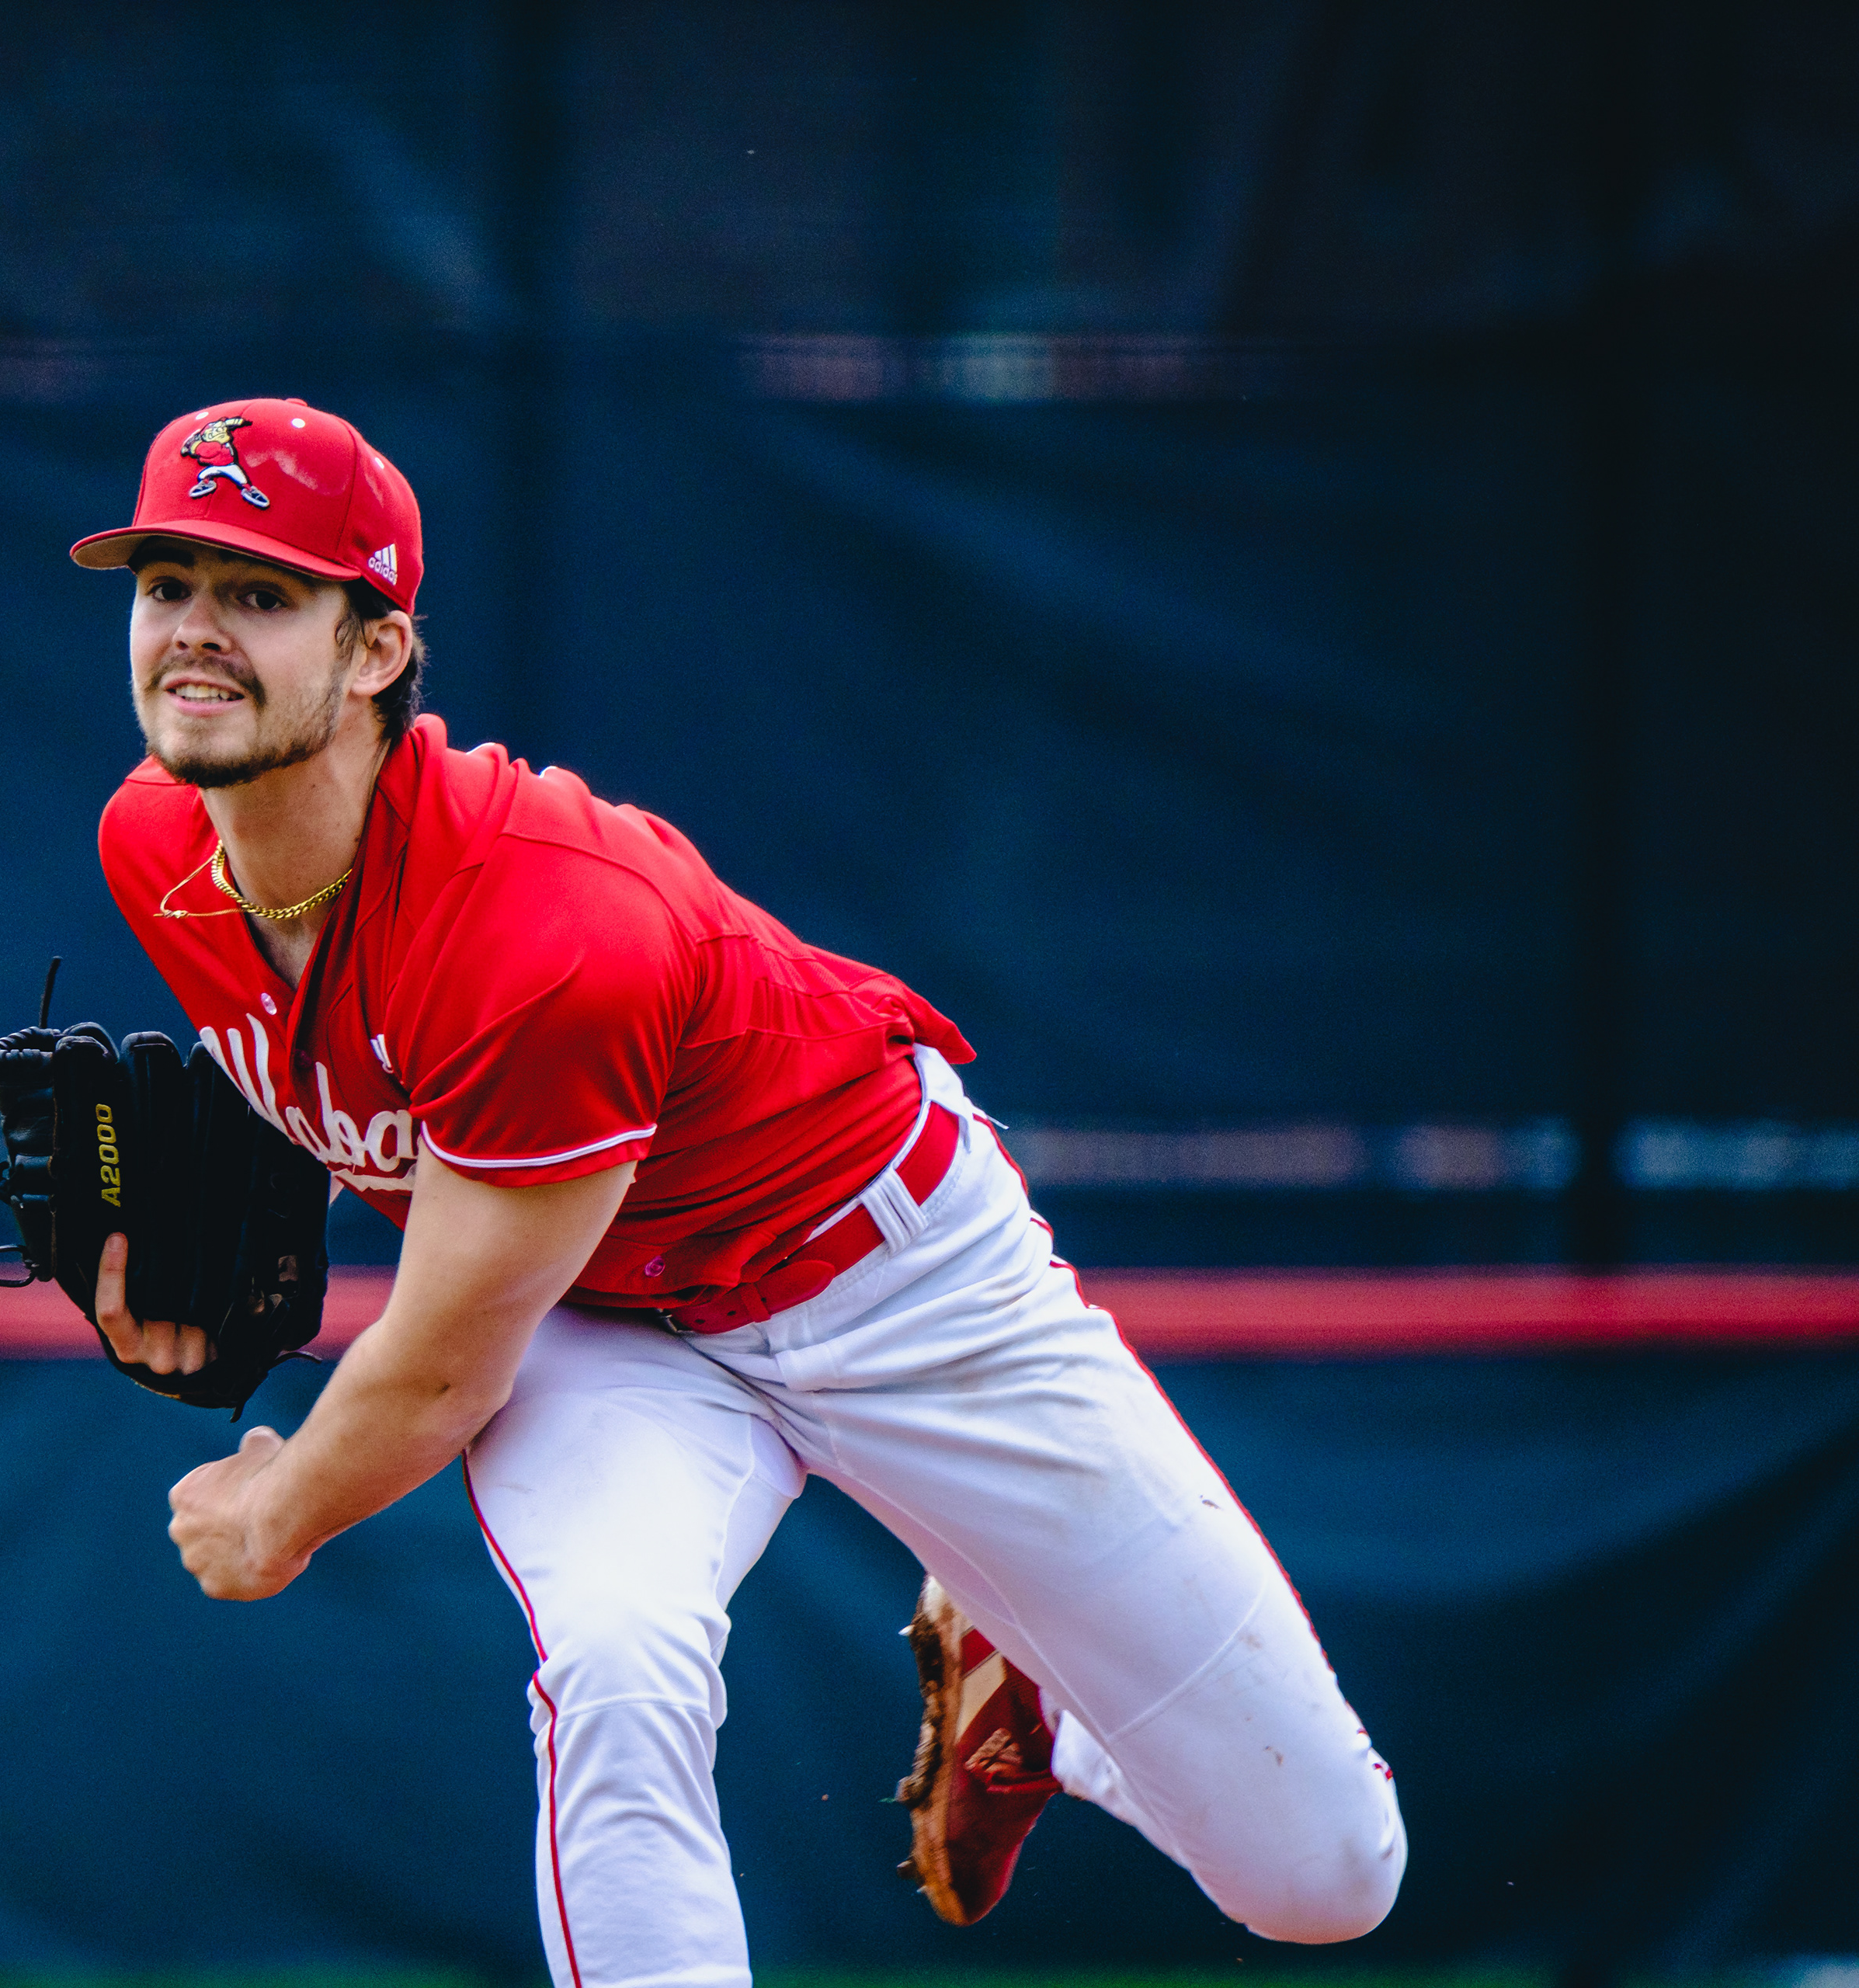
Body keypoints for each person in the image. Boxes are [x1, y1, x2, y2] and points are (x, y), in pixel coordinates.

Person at [70, 397, 1404, 1988]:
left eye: (259, 591)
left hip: (897, 1279)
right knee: (619, 1668)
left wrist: (273, 1513)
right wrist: (209, 1245)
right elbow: (368, 1093)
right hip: (607, 1323)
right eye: (166, 584)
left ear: (374, 649)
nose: (195, 632)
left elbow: (439, 1365)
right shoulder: (154, 844)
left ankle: (1030, 1670)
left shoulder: (547, 928)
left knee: (1325, 1875)